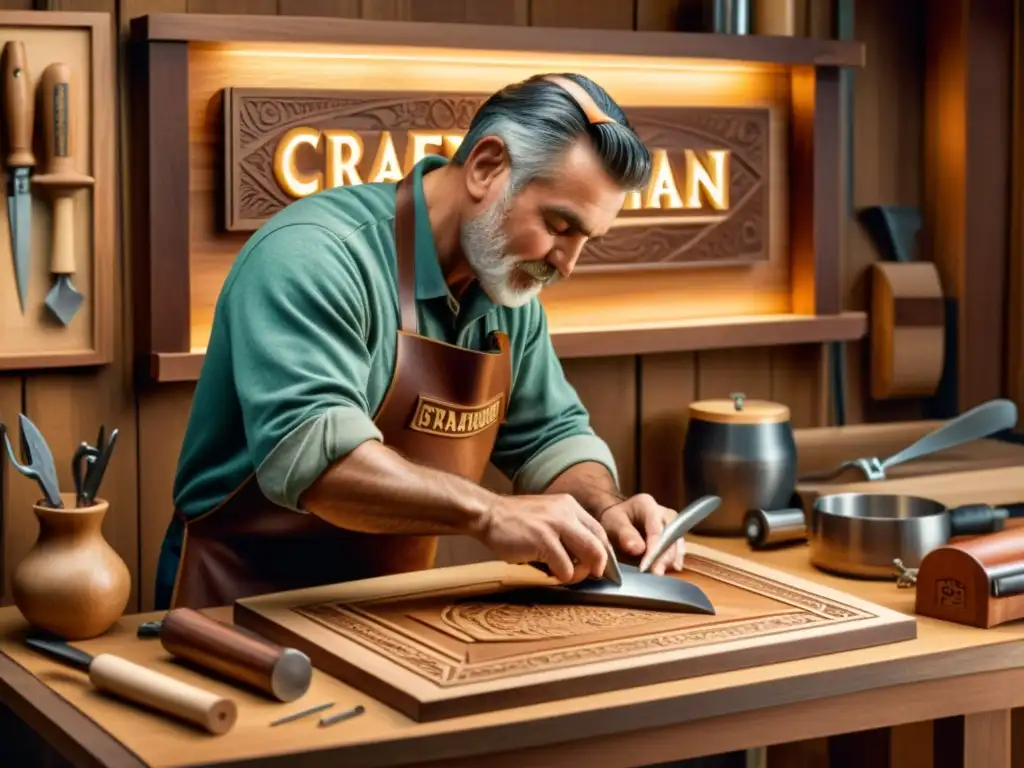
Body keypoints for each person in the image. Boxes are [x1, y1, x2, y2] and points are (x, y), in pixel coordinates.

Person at [154, 72, 687, 611]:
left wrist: (605, 507)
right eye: (558, 225)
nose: (567, 264)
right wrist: (491, 513)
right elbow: (320, 466)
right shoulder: (313, 256)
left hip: (392, 612)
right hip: (237, 611)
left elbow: (551, 436)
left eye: (585, 241)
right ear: (486, 167)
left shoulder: (506, 288)